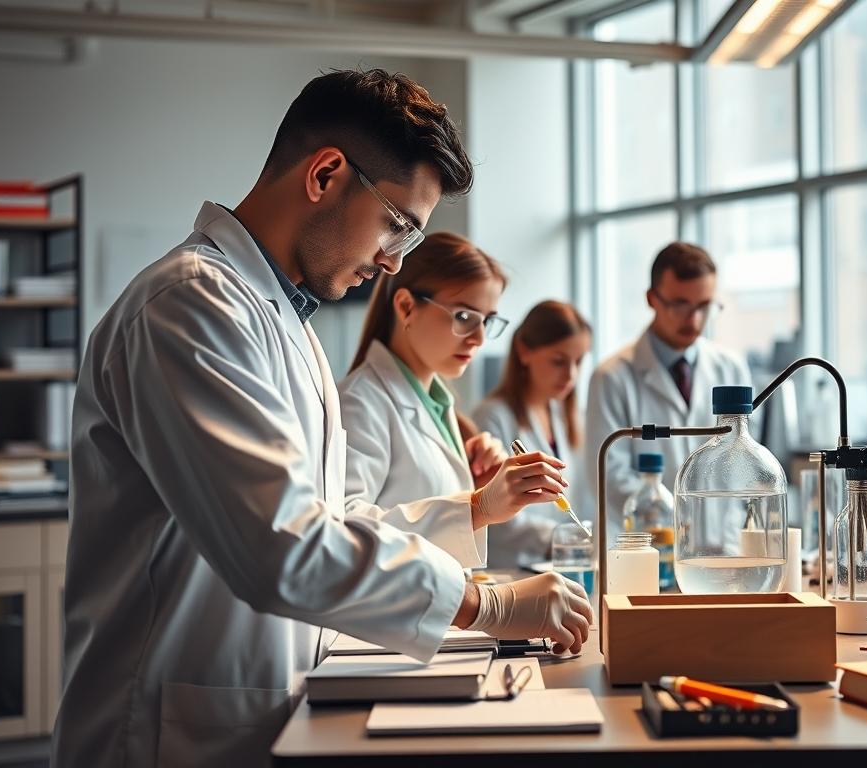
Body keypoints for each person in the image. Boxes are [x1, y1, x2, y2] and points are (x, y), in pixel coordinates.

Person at [54, 70, 590, 768]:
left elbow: (334, 520)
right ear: (326, 174)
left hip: (257, 706)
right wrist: (480, 605)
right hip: (161, 730)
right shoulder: (187, 307)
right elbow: (281, 545)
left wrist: (470, 519)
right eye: (397, 224)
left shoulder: (287, 322)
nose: (395, 261)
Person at [340, 233, 570, 560]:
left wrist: (476, 486)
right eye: (464, 316)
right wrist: (477, 507)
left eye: (487, 321)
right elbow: (345, 532)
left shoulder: (437, 405)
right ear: (406, 307)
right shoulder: (359, 403)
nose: (478, 338)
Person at [586, 242, 751, 544]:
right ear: (652, 299)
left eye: (704, 306)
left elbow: (745, 461)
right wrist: (672, 518)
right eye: (680, 305)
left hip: (726, 546)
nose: (694, 320)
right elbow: (610, 477)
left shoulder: (732, 368)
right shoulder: (611, 378)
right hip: (648, 548)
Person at [472, 301, 593, 567]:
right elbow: (494, 509)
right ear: (524, 351)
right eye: (559, 361)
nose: (571, 374)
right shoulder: (492, 417)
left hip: (558, 563)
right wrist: (565, 537)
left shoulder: (566, 416)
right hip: (511, 568)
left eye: (578, 361)